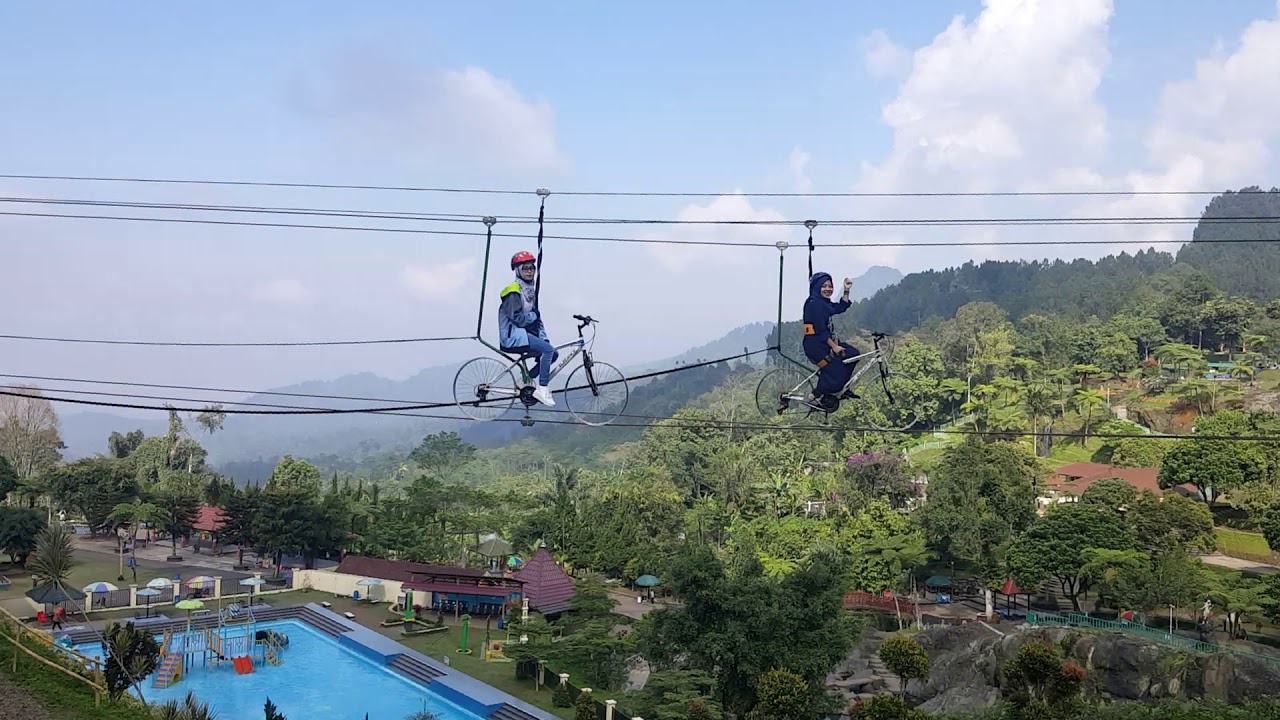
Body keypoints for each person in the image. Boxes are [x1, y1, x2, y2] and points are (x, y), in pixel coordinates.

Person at [499, 251, 557, 406]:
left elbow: (538, 319)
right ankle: (542, 389)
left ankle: (526, 380)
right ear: (518, 270)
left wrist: (544, 339)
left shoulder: (530, 291)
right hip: (513, 336)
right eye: (525, 268)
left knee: (553, 353)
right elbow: (516, 318)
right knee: (548, 351)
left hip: (525, 334)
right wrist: (532, 316)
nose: (530, 271)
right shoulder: (512, 291)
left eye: (532, 268)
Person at [801, 272, 859, 410]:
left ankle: (843, 388)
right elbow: (820, 330)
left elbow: (839, 308)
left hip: (824, 342)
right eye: (824, 286)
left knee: (852, 354)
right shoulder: (814, 304)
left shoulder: (822, 303)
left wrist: (846, 290)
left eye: (830, 286)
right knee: (834, 371)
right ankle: (813, 396)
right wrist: (834, 347)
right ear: (816, 287)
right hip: (815, 346)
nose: (828, 289)